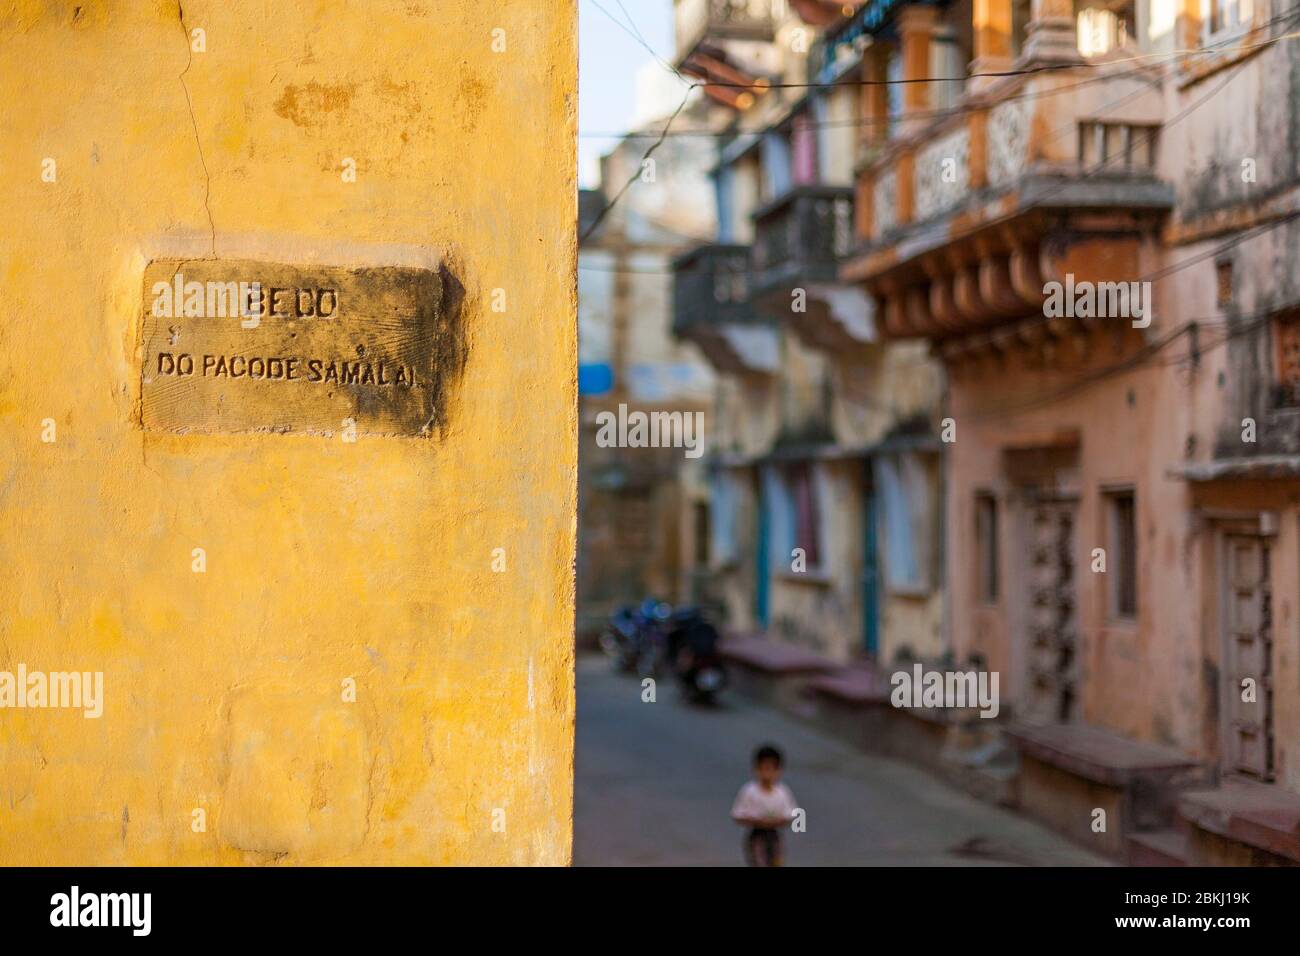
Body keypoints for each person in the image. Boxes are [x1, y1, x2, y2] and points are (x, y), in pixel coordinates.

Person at [730, 743, 798, 866]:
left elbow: (792, 815)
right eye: (763, 768)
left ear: (778, 771)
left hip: (775, 835)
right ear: (756, 769)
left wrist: (776, 821)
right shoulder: (749, 791)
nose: (767, 773)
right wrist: (757, 821)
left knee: (776, 863)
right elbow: (737, 815)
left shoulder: (782, 792)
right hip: (757, 835)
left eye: (771, 769)